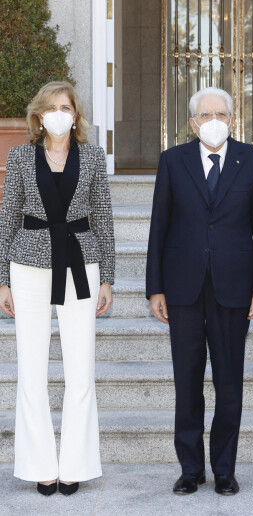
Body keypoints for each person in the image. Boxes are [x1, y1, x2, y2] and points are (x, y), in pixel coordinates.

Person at [146, 87, 253, 496]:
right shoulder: (172, 161)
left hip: (234, 286)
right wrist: (155, 289)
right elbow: (158, 229)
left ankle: (224, 469)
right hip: (182, 286)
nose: (213, 120)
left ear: (233, 119)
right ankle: (190, 469)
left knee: (229, 382)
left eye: (221, 113)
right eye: (205, 114)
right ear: (192, 122)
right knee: (187, 382)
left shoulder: (252, 160)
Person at [0, 81, 115, 496]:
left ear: (75, 114)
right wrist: (2, 280)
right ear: (38, 115)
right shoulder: (19, 157)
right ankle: (40, 467)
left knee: (79, 369)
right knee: (31, 368)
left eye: (65, 106)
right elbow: (7, 217)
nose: (59, 113)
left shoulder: (92, 157)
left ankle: (75, 466)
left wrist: (108, 277)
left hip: (81, 265)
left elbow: (102, 218)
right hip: (27, 266)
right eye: (51, 107)